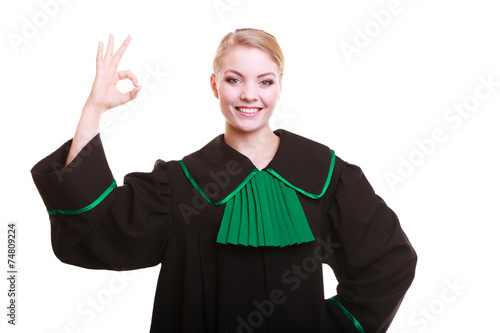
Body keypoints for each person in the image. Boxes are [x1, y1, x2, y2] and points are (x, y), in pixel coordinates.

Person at [31, 28, 417, 333]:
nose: (250, 95)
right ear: (215, 86)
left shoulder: (325, 174)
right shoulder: (180, 185)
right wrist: (95, 107)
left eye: (265, 81)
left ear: (280, 86)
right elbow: (95, 227)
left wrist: (326, 323)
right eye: (234, 80)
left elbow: (390, 261)